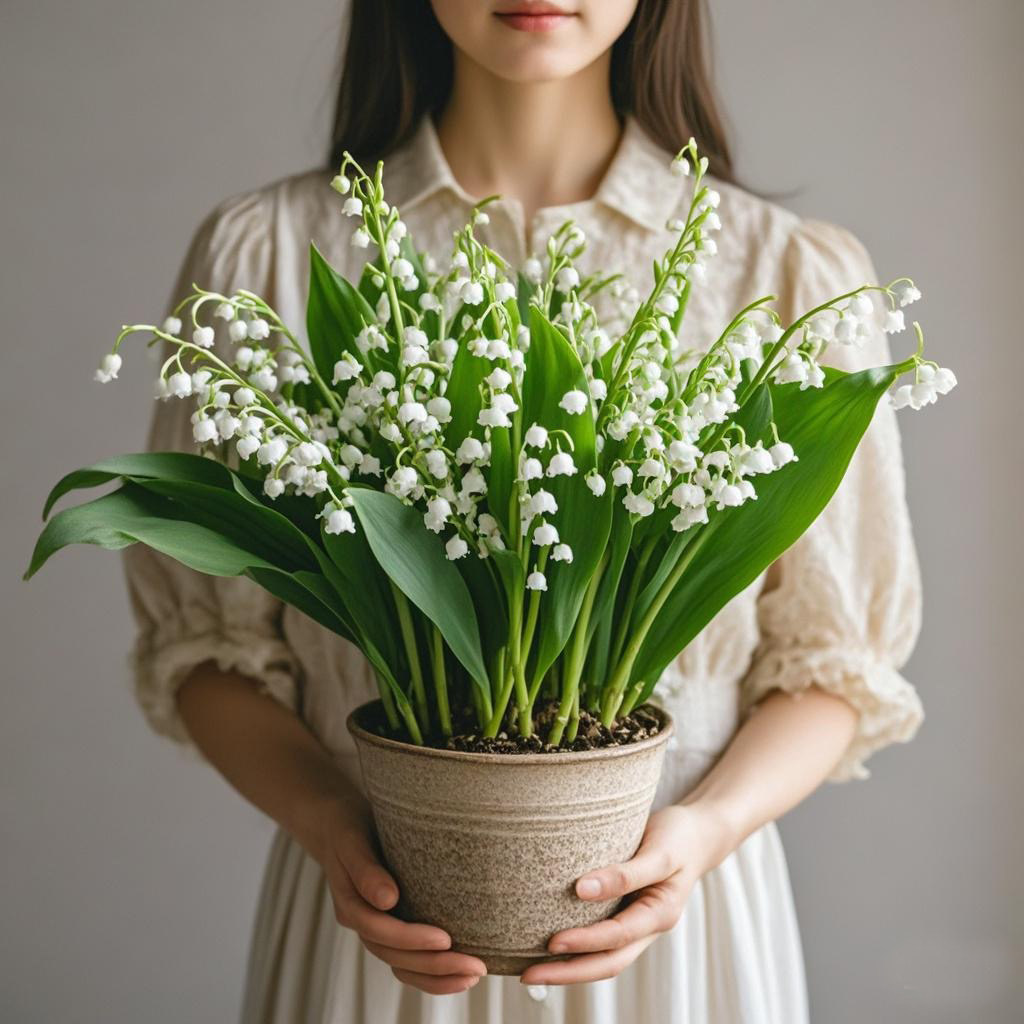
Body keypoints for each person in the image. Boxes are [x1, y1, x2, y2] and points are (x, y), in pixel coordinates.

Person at [124, 2, 924, 1021]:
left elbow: (832, 659)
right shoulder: (269, 258)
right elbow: (207, 645)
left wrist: (703, 833)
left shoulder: (781, 274)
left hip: (670, 923)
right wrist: (335, 829)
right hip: (376, 921)